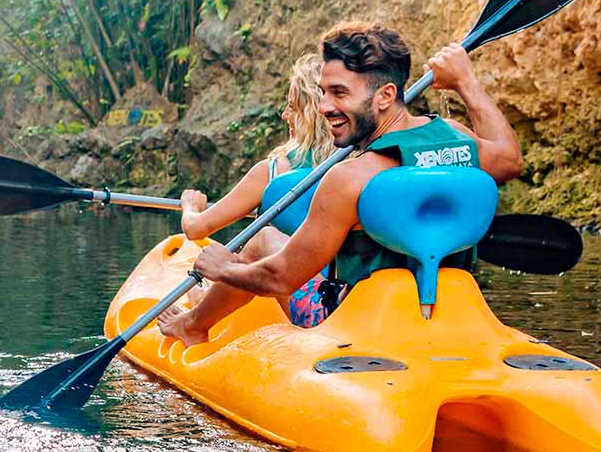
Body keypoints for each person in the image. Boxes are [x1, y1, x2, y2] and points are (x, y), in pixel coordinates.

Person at [157, 23, 524, 347]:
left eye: (339, 93)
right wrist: (466, 83)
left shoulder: (351, 178)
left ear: (385, 96)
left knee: (261, 242)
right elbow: (509, 160)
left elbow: (281, 277)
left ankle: (191, 326)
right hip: (448, 313)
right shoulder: (456, 139)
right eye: (323, 93)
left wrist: (224, 268)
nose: (323, 107)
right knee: (270, 238)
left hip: (359, 324)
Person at [174, 53, 337, 329]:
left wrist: (191, 206)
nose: (285, 115)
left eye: (292, 107)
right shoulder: (357, 163)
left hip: (298, 291)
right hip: (344, 294)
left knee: (258, 243)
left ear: (310, 112)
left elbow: (196, 230)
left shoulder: (273, 171)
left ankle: (197, 318)